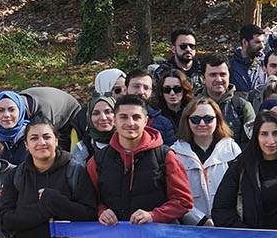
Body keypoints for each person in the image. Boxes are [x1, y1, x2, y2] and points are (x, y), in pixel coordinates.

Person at [78, 94, 193, 227]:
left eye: (136, 117)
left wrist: (154, 215)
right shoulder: (98, 160)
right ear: (115, 120)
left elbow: (183, 201)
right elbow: (88, 199)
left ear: (145, 121)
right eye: (123, 117)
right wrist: (101, 211)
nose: (130, 123)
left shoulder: (165, 156)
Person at [212, 112, 277, 229]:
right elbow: (221, 211)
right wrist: (247, 233)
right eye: (264, 134)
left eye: (276, 133)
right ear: (256, 136)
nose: (271, 140)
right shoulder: (240, 167)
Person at [170, 99, 241, 225]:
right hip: (191, 228)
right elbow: (175, 195)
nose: (202, 123)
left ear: (217, 119)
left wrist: (226, 219)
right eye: (195, 119)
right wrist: (200, 220)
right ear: (187, 121)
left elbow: (241, 190)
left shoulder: (231, 149)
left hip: (227, 225)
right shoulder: (175, 153)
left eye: (208, 119)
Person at [0, 90, 31, 164]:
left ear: (20, 111)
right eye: (1, 110)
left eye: (12, 110)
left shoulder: (32, 135)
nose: (6, 115)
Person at [227, 23, 269, 94]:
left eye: (263, 42)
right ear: (244, 42)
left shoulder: (266, 64)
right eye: (257, 42)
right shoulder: (230, 67)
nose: (262, 46)